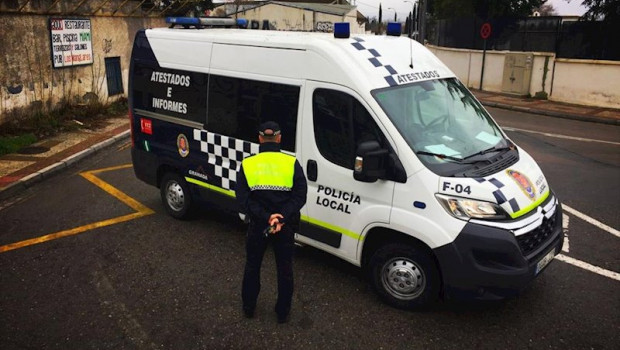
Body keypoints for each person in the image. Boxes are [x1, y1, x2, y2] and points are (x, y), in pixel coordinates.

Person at [235, 121, 308, 323]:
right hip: (284, 227)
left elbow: (243, 200)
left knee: (252, 266)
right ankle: (282, 313)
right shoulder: (291, 163)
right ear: (279, 138)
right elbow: (300, 196)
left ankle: (249, 307)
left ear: (259, 139)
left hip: (259, 225)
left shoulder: (248, 164)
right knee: (285, 269)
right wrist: (281, 217)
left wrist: (267, 217)